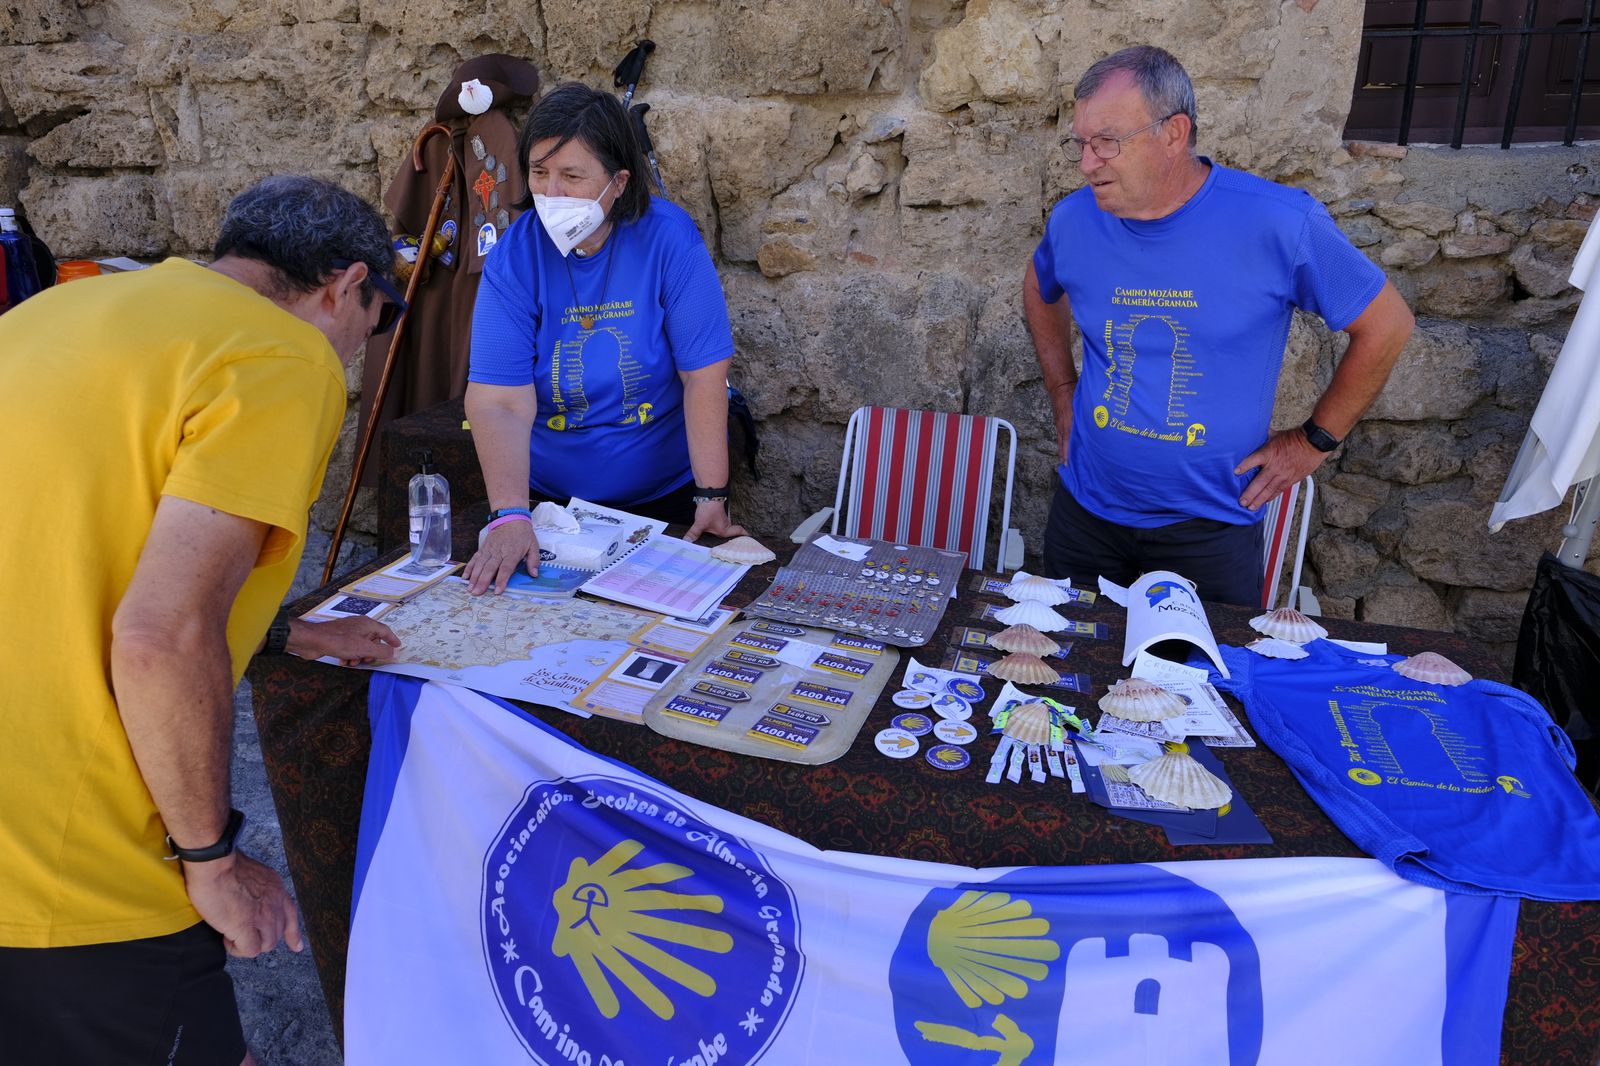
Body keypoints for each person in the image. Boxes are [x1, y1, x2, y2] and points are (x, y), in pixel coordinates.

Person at [0, 175, 404, 1065]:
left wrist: (276, 632)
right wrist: (213, 860)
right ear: (345, 286)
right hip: (67, 857)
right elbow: (159, 637)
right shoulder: (283, 358)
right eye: (367, 329)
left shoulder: (58, 312)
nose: (349, 354)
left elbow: (66, 542)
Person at [1025, 45, 1415, 606]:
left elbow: (1387, 325)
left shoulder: (1276, 221)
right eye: (1081, 144)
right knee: (1068, 681)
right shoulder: (1074, 220)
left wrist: (1313, 441)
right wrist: (1063, 392)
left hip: (1208, 532)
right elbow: (1040, 291)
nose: (1088, 163)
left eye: (1107, 142)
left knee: (1198, 691)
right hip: (1085, 517)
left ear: (1173, 134)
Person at [464, 83, 744, 595]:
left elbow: (703, 375)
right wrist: (509, 515)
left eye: (572, 176)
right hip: (552, 509)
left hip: (665, 497)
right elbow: (499, 400)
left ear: (617, 181)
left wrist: (711, 495)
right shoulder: (515, 255)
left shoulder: (668, 239)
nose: (551, 194)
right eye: (539, 173)